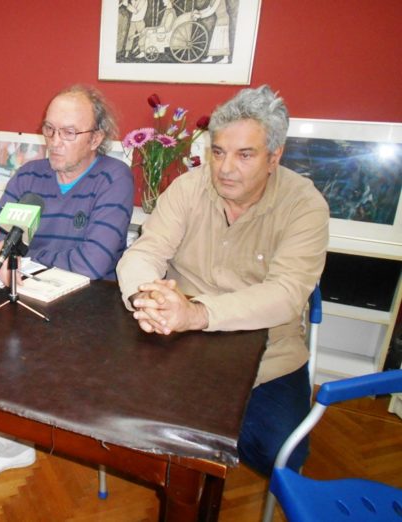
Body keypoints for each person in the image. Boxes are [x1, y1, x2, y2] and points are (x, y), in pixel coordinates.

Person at [116, 85, 329, 477]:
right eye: (218, 152)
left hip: (268, 354)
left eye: (244, 155)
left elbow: (285, 295)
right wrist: (148, 297)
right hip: (178, 341)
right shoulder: (188, 187)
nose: (225, 168)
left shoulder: (305, 205)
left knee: (279, 453)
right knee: (117, 412)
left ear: (274, 157)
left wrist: (196, 313)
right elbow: (144, 253)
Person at [0, 84, 134, 484]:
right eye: (49, 129)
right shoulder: (28, 175)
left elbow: (93, 263)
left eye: (69, 132)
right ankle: (11, 433)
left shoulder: (114, 177)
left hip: (88, 307)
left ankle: (14, 444)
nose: (55, 142)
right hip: (25, 295)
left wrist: (22, 261)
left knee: (14, 354)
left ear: (96, 138)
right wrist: (7, 258)